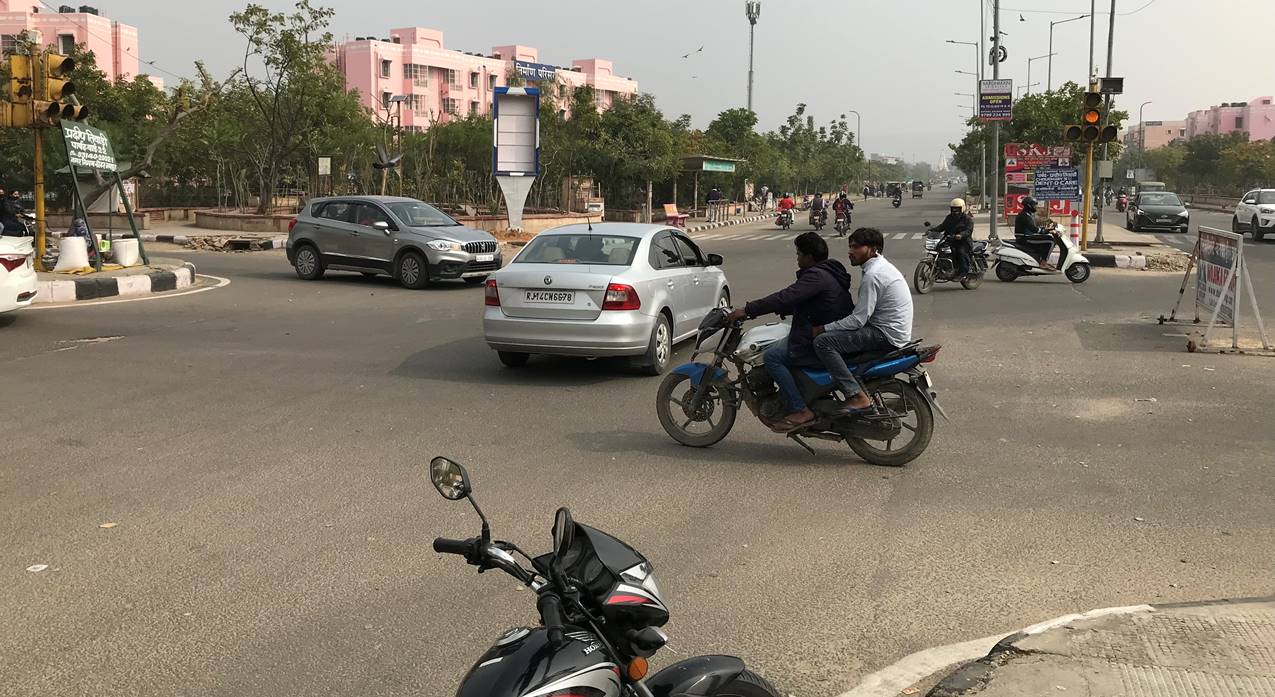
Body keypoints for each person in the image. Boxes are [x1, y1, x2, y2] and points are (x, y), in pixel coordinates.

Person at [726, 232, 854, 431]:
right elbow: (806, 301)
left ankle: (801, 409)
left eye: (799, 254)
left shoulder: (816, 276)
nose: (797, 258)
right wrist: (786, 310)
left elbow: (786, 296)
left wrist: (747, 310)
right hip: (825, 334)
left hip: (820, 339)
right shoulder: (828, 272)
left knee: (772, 358)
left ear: (809, 257)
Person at [812, 227, 914, 414]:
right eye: (850, 246)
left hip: (885, 334)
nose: (850, 252)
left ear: (873, 249)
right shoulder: (879, 267)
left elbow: (858, 320)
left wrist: (825, 328)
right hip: (891, 330)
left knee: (822, 342)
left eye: (856, 247)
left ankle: (855, 395)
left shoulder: (873, 275)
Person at [929, 197, 975, 278]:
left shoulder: (967, 219)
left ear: (962, 208)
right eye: (953, 209)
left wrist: (960, 235)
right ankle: (943, 268)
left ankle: (963, 272)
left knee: (960, 252)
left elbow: (968, 231)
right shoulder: (949, 217)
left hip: (963, 242)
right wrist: (932, 230)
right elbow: (942, 226)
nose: (955, 211)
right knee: (940, 249)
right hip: (950, 239)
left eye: (957, 209)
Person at [1014, 196, 1056, 269]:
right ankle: (1043, 263)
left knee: (1045, 241)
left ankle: (1038, 259)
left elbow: (1034, 226)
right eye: (1034, 205)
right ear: (1029, 205)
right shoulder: (1024, 215)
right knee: (1051, 241)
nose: (1035, 207)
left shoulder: (1027, 214)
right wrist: (1045, 231)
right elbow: (1033, 229)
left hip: (1026, 237)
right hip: (1024, 238)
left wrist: (1046, 227)